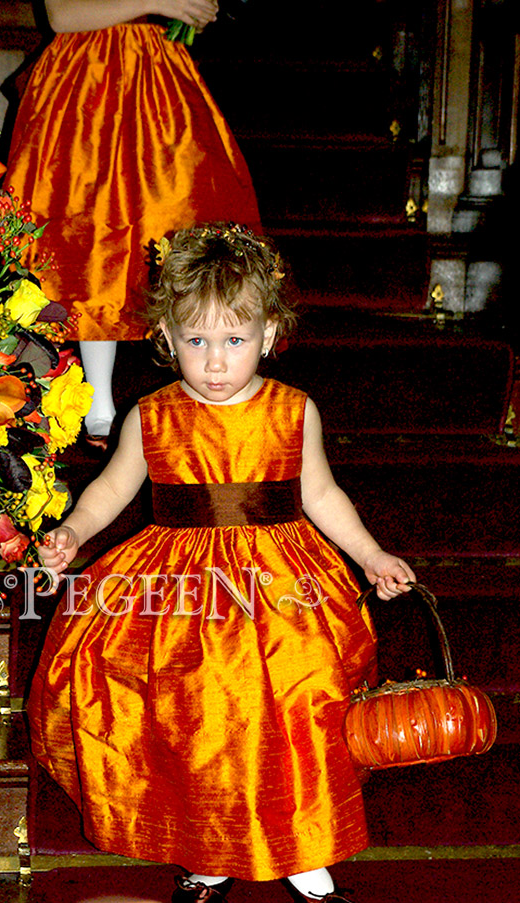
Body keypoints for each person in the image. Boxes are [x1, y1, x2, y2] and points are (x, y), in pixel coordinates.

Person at [29, 224, 416, 903]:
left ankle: (305, 860)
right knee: (198, 720)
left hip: (283, 589)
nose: (213, 362)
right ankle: (208, 855)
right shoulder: (151, 415)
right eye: (196, 341)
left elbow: (322, 493)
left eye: (233, 341)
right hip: (179, 596)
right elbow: (114, 488)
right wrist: (73, 530)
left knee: (295, 707)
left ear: (268, 333)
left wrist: (370, 552)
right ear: (166, 338)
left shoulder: (295, 411)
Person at [5, 0, 261, 448]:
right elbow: (62, 15)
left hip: (156, 80)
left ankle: (203, 383)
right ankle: (97, 398)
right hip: (84, 82)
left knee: (177, 217)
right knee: (87, 242)